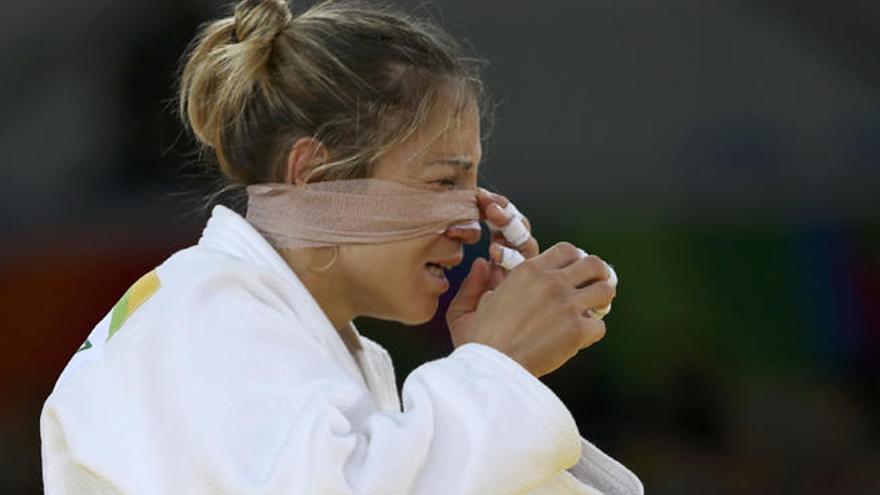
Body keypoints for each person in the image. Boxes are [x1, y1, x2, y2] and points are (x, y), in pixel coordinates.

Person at [40, 0, 644, 493]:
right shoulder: (203, 320)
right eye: (444, 181)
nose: (474, 219)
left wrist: (493, 369)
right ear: (314, 173)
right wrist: (493, 370)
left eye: (471, 184)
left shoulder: (301, 340)